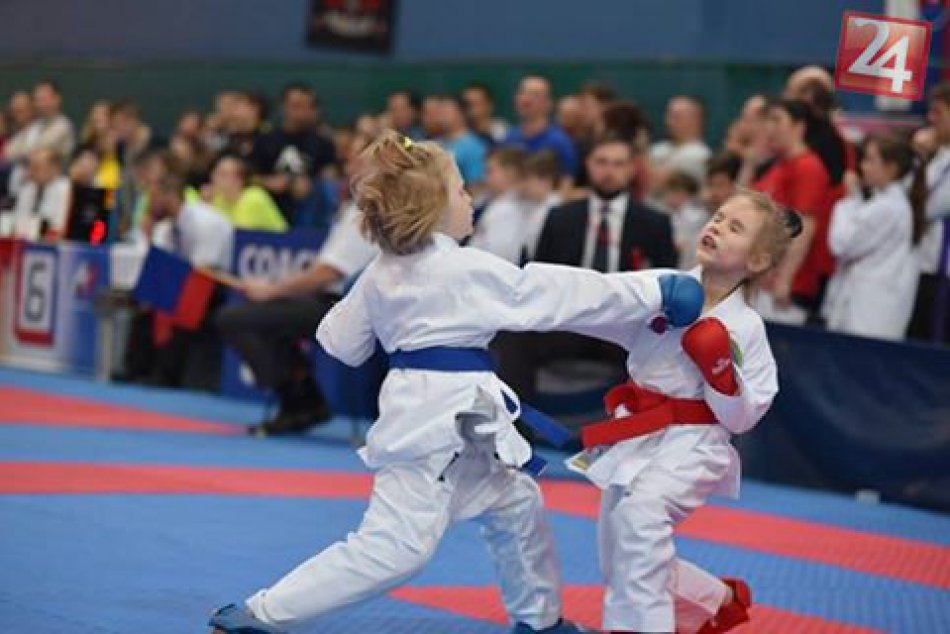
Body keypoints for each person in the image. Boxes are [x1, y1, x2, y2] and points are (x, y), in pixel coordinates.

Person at [208, 130, 703, 634]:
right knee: (395, 548)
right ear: (435, 207)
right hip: (435, 426)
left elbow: (339, 344)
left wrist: (384, 306)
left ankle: (540, 621)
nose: (471, 200)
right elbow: (561, 292)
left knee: (515, 505)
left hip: (459, 419)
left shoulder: (381, 272)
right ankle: (260, 614)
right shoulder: (465, 268)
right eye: (463, 191)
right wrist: (653, 289)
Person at [571, 189, 800, 634]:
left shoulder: (746, 327)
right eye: (717, 217)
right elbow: (598, 304)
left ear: (755, 262)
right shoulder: (663, 289)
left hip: (694, 443)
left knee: (639, 524)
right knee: (620, 557)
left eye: (735, 227)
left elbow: (743, 418)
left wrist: (721, 375)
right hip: (636, 433)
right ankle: (717, 601)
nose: (716, 226)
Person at [216, 134, 378, 436]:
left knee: (236, 318)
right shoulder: (353, 208)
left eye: (358, 158)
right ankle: (302, 398)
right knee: (268, 322)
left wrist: (272, 290)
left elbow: (328, 273)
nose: (347, 163)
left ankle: (300, 398)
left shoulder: (369, 213)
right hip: (329, 302)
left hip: (343, 308)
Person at [822, 134, 926, 340]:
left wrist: (849, 200)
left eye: (870, 160)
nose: (863, 167)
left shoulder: (887, 207)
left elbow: (841, 244)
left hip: (868, 314)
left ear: (892, 168)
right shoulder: (883, 204)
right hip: (867, 310)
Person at [752, 99, 834, 324]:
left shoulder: (808, 167)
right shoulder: (777, 166)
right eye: (768, 120)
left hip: (787, 287)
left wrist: (784, 280)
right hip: (761, 277)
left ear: (799, 127)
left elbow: (805, 226)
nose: (770, 127)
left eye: (777, 120)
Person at [505, 75, 578, 180]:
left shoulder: (560, 142)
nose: (526, 99)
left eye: (535, 95)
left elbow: (566, 185)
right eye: (522, 92)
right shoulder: (509, 138)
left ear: (548, 104)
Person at [469, 146, 527, 263]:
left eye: (490, 171)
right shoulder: (494, 203)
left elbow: (498, 259)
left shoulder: (506, 211)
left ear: (510, 173)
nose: (484, 177)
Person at [207, 154, 287, 232]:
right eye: (215, 173)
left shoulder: (254, 197)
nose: (214, 178)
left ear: (239, 179)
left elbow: (240, 233)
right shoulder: (217, 199)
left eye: (223, 174)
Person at [10, 148, 71, 240]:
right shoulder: (28, 188)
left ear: (53, 168)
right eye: (30, 167)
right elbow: (17, 220)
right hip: (25, 241)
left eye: (36, 167)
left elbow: (60, 227)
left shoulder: (66, 189)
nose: (30, 172)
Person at [660, 170, 708, 270]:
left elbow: (681, 244)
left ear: (680, 193)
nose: (665, 197)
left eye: (668, 192)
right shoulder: (674, 215)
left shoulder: (696, 217)